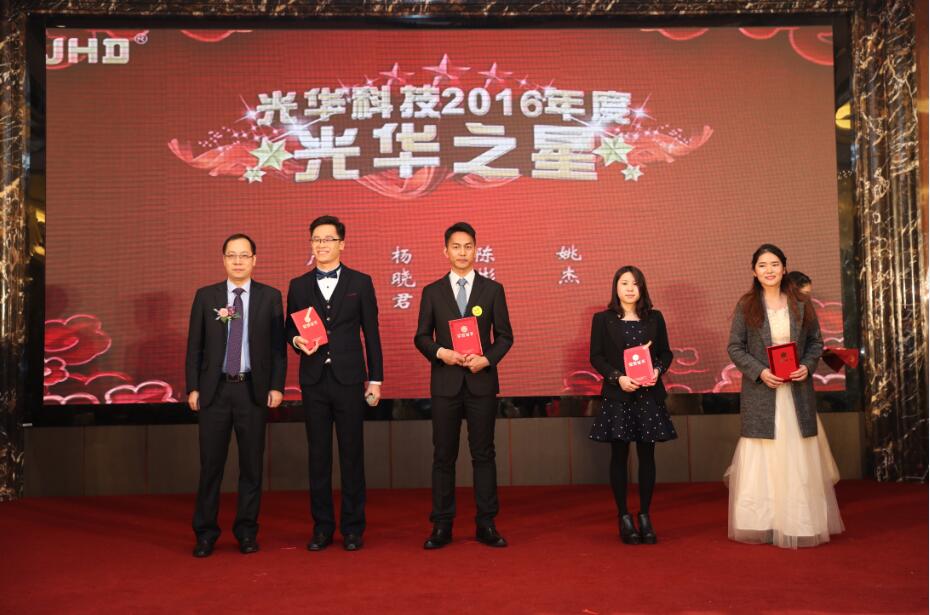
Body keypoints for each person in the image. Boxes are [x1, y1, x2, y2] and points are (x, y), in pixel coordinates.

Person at [724, 244, 844, 548]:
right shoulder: (747, 305)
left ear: (784, 268)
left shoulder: (800, 303)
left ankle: (799, 522)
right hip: (762, 393)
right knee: (763, 455)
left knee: (796, 457)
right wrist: (760, 372)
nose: (769, 270)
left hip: (796, 393)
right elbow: (735, 347)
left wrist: (807, 366)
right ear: (754, 271)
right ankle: (762, 523)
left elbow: (815, 343)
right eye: (762, 265)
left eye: (775, 264)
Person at [285, 215, 383, 552]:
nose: (321, 244)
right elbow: (290, 328)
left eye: (328, 239)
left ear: (342, 243)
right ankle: (322, 528)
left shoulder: (361, 282)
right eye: (316, 239)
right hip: (314, 381)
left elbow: (371, 334)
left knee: (352, 454)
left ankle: (353, 528)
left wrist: (375, 379)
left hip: (350, 380)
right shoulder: (298, 285)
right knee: (318, 456)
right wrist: (297, 341)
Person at [413, 222, 513, 549]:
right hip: (446, 383)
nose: (462, 252)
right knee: (443, 456)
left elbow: (505, 337)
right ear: (445, 251)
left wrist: (487, 359)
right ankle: (441, 525)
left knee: (484, 454)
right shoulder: (432, 291)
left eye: (468, 246)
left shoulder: (492, 290)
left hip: (481, 382)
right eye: (456, 246)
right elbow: (422, 337)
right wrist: (441, 353)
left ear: (476, 250)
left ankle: (486, 523)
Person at [186, 233, 286, 558]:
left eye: (244, 255)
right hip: (214, 392)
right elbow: (194, 346)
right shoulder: (206, 296)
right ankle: (205, 534)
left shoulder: (270, 297)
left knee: (252, 467)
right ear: (224, 260)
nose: (238, 261)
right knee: (210, 466)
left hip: (251, 390)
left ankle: (246, 532)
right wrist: (193, 387)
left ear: (254, 260)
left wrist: (276, 386)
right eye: (232, 255)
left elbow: (278, 348)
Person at [588, 266, 677, 544]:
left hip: (648, 396)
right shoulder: (602, 319)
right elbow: (596, 356)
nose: (629, 288)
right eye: (624, 283)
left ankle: (645, 515)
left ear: (642, 288)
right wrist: (618, 378)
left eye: (635, 284)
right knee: (619, 456)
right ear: (615, 287)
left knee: (647, 456)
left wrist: (658, 371)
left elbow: (665, 353)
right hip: (619, 396)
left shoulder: (655, 318)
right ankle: (624, 516)